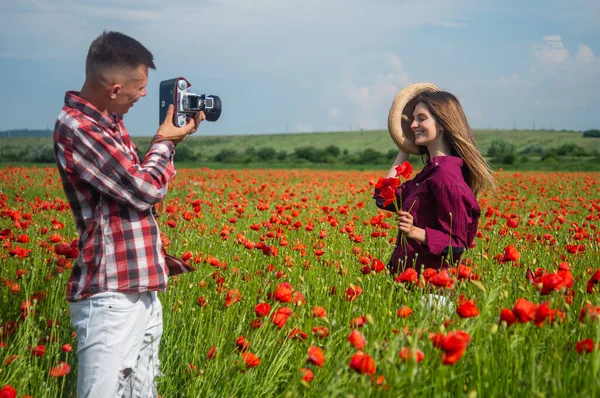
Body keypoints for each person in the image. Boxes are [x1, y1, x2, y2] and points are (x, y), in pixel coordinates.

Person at [53, 31, 204, 397]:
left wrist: (162, 152)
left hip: (140, 288)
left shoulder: (109, 120)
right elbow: (145, 189)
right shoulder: (78, 128)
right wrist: (165, 143)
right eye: (139, 87)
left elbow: (144, 194)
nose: (145, 94)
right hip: (110, 295)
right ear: (115, 89)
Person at [374, 89, 495, 275]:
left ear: (443, 124)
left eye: (422, 118)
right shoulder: (430, 173)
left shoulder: (446, 177)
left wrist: (415, 232)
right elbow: (383, 198)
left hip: (432, 290)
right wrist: (403, 147)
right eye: (413, 119)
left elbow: (457, 244)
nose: (413, 125)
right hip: (409, 284)